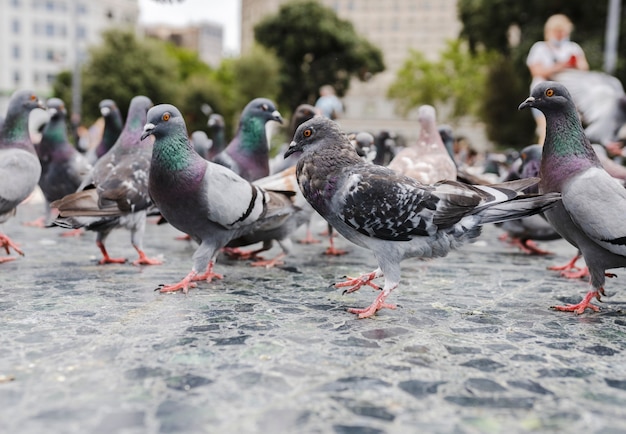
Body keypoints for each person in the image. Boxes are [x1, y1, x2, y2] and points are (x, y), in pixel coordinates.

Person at [526, 14, 589, 144]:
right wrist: (560, 67)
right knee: (546, 130)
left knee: (571, 132)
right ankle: (542, 162)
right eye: (557, 31)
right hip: (545, 97)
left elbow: (585, 69)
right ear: (549, 32)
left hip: (569, 97)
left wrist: (576, 64)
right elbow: (536, 71)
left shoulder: (573, 48)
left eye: (563, 31)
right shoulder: (540, 48)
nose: (560, 34)